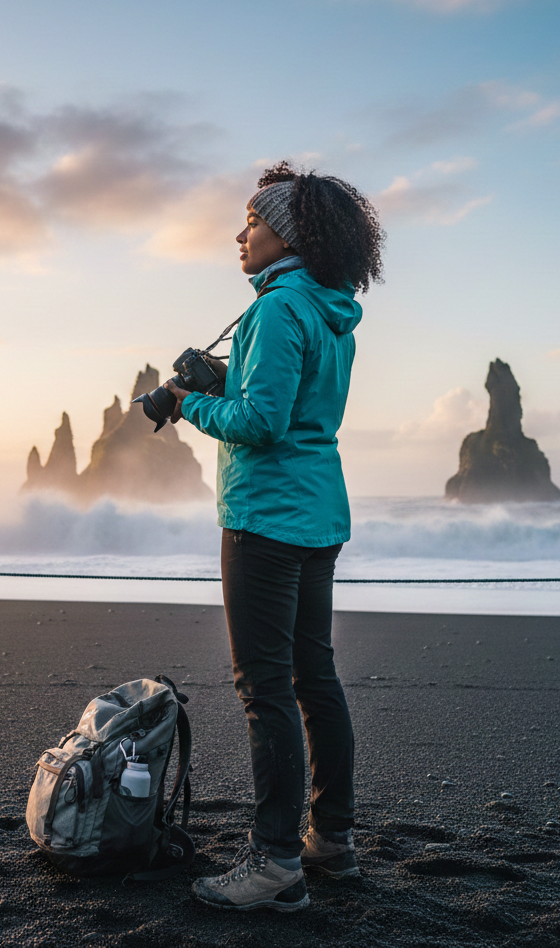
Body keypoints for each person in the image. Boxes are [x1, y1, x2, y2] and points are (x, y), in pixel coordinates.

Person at [165, 162, 384, 912]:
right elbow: (292, 404)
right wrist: (225, 382)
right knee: (313, 678)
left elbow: (261, 424)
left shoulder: (273, 312)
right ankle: (332, 841)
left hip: (264, 520)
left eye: (252, 222)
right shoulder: (328, 311)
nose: (239, 233)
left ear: (285, 235)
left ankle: (276, 864)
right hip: (318, 517)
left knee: (265, 690)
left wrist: (192, 401)